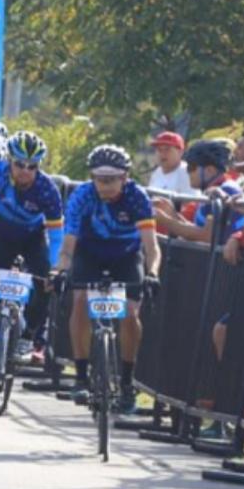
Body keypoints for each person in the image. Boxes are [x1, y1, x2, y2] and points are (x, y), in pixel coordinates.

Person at [57, 144, 161, 413]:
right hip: (89, 253)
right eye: (98, 179)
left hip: (126, 255)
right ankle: (81, 375)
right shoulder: (82, 196)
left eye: (111, 179)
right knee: (79, 300)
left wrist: (152, 273)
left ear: (125, 177)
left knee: (129, 313)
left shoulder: (137, 197)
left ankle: (127, 382)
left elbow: (151, 247)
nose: (104, 186)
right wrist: (60, 271)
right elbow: (68, 246)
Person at [0, 131, 63, 364]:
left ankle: (29, 334)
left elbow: (56, 236)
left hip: (31, 237)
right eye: (19, 164)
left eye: (32, 166)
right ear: (9, 160)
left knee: (45, 280)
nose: (25, 170)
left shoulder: (47, 189)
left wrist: (55, 268)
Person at [153, 140, 241, 243]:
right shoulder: (216, 188)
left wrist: (166, 221)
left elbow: (206, 236)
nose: (188, 172)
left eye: (191, 168)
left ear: (210, 170)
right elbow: (197, 230)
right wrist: (172, 214)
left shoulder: (225, 190)